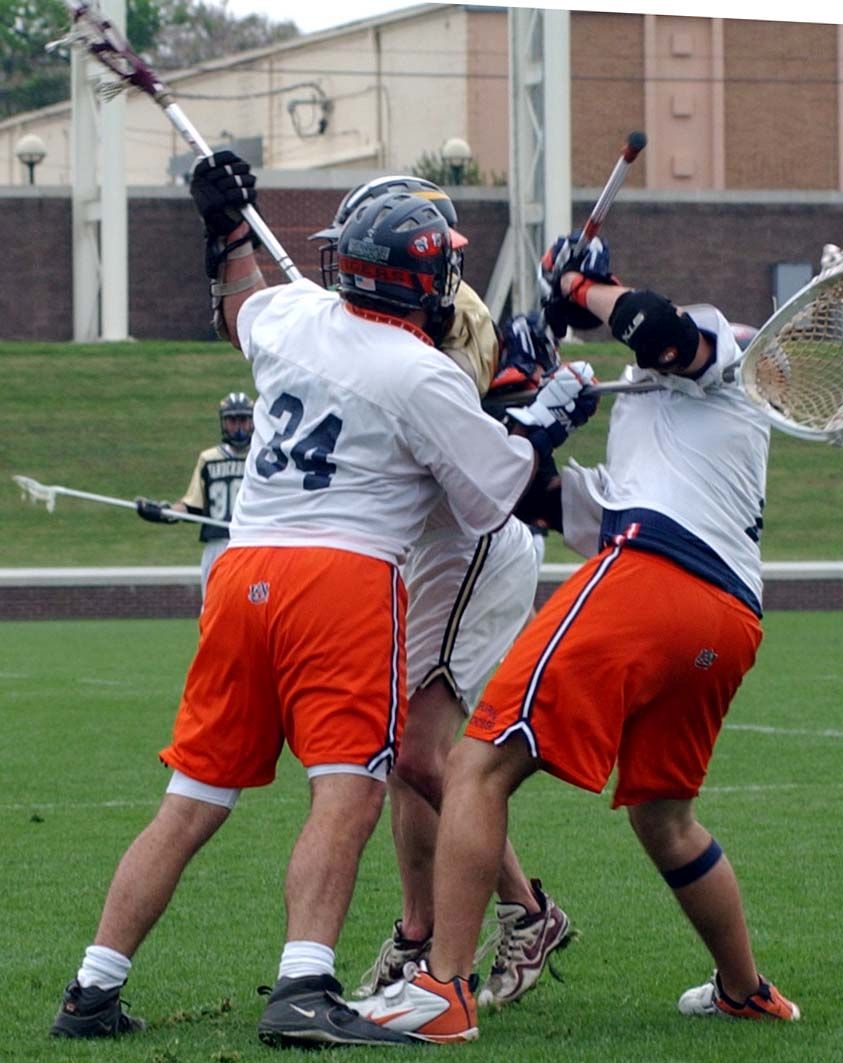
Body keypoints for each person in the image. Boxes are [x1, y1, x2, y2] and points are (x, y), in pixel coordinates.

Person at [49, 155, 596, 1050]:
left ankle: (92, 988)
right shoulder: (419, 372)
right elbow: (496, 493)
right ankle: (304, 985)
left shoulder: (293, 315)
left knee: (190, 799)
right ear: (424, 277)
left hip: (242, 572)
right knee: (345, 794)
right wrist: (553, 415)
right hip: (338, 581)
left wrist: (226, 229)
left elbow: (238, 304)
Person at [350, 234, 801, 1042]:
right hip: (727, 620)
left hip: (656, 576)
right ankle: (745, 989)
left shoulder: (723, 351)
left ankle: (443, 992)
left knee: (477, 765)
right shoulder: (667, 437)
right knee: (663, 816)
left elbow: (657, 327)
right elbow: (540, 501)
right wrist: (535, 413)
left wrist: (580, 288)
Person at [312, 176, 573, 1008]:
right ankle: (418, 929)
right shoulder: (376, 319)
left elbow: (466, 441)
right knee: (401, 751)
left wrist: (524, 388)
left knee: (420, 751)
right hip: (427, 549)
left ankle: (526, 910)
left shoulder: (452, 321)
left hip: (470, 547)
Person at [135, 392, 254, 597]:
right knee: (213, 607)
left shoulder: (263, 458)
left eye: (243, 420)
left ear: (252, 421)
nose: (238, 427)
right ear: (224, 423)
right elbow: (193, 505)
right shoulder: (209, 459)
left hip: (252, 543)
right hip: (218, 545)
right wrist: (163, 512)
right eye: (232, 421)